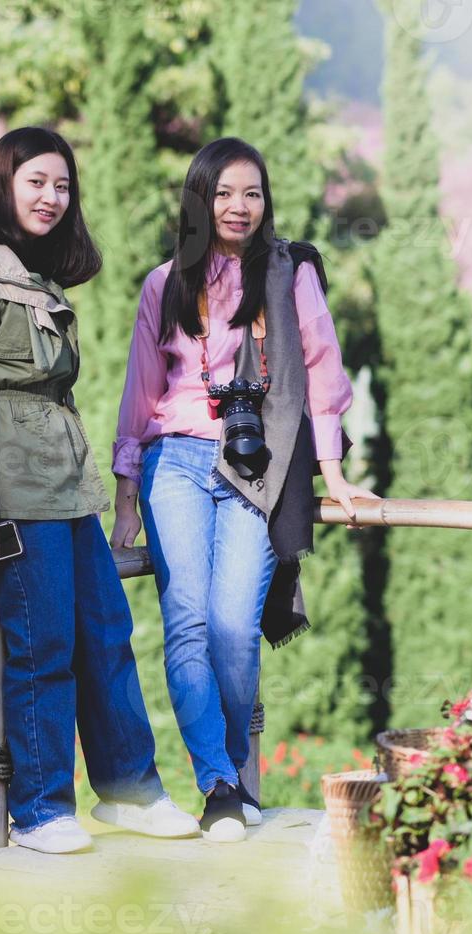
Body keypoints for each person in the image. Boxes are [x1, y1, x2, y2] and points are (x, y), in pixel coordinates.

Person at [0, 126, 199, 853]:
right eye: (35, 182)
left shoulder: (31, 274)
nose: (51, 196)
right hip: (13, 491)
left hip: (67, 485)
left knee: (107, 636)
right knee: (40, 645)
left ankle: (129, 790)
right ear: (1, 185)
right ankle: (41, 808)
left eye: (61, 184)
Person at [111, 137, 378, 842]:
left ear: (265, 202)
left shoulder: (288, 276)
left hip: (256, 469)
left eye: (251, 193)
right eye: (223, 193)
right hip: (173, 462)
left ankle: (227, 769)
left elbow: (321, 374)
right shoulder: (162, 283)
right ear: (199, 201)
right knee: (188, 623)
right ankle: (220, 783)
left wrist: (335, 473)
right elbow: (138, 396)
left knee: (234, 629)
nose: (238, 206)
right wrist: (124, 499)